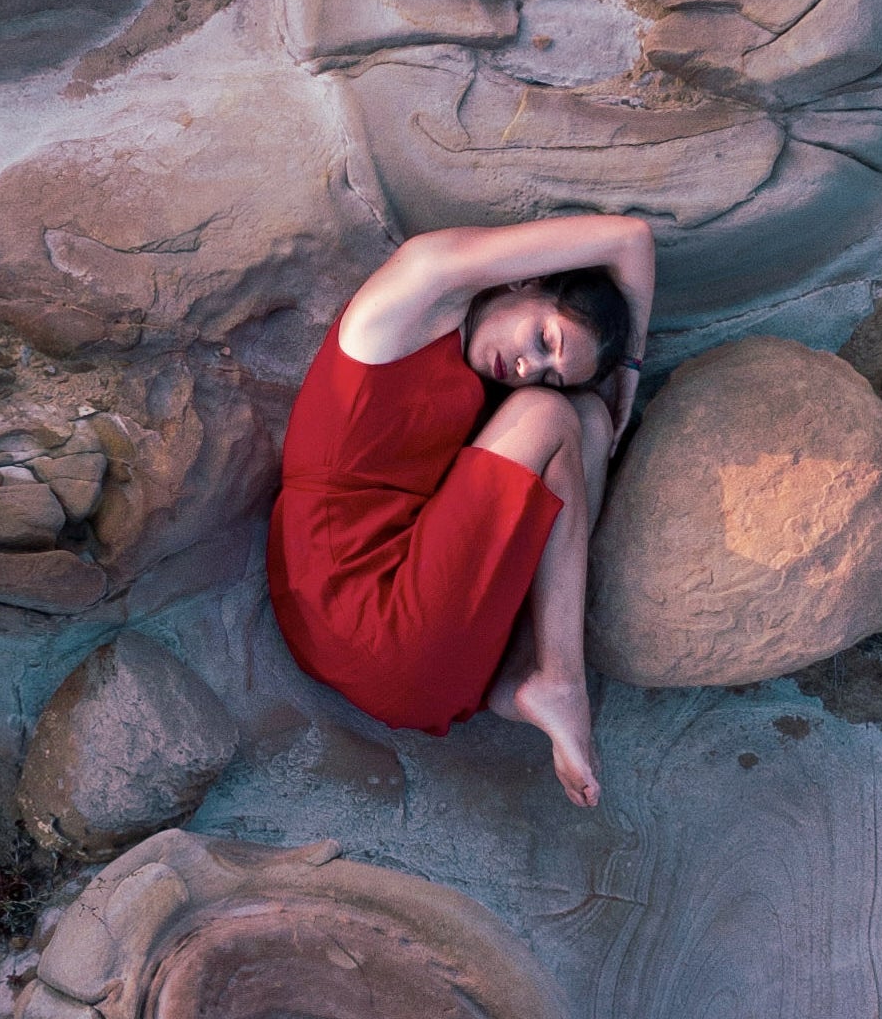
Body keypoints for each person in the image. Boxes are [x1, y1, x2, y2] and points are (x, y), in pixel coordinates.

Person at [266, 215, 657, 808]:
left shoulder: (475, 351)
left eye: (549, 372)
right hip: (354, 618)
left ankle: (526, 670)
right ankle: (561, 682)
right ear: (527, 281)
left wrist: (597, 393)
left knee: (587, 418)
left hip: (432, 657)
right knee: (550, 418)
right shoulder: (424, 279)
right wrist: (630, 369)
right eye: (544, 339)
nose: (529, 368)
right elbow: (631, 238)